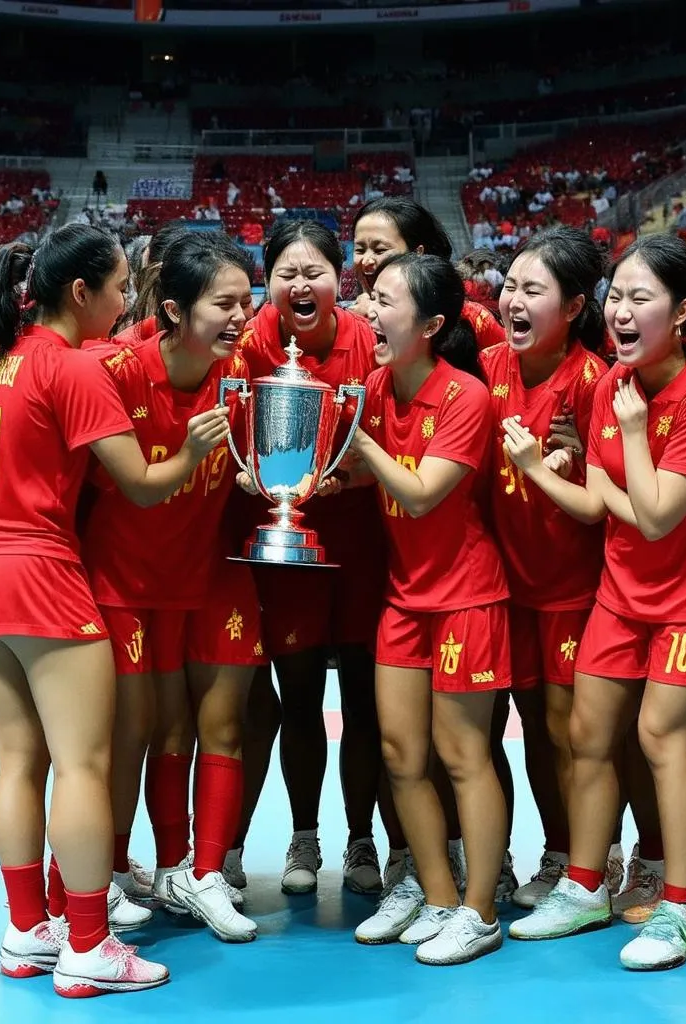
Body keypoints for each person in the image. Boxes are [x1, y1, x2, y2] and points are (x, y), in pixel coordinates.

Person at [0, 223, 219, 997]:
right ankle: (92, 946)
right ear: (81, 293)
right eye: (119, 290)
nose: (126, 303)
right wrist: (196, 450)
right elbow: (138, 481)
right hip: (40, 574)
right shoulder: (73, 370)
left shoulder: (2, 357)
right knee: (85, 764)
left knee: (17, 761)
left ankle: (28, 931)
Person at [504, 234, 686, 972]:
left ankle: (678, 907)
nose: (624, 313)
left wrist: (635, 437)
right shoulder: (609, 384)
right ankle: (584, 886)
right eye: (619, 298)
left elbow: (659, 514)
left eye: (643, 299)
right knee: (588, 735)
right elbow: (603, 501)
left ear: (684, 311)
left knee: (666, 743)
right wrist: (540, 472)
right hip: (619, 595)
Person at [81, 232, 263, 943]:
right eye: (225, 303)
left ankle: (201, 873)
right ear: (175, 310)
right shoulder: (116, 371)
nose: (242, 317)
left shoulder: (242, 371)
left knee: (215, 726)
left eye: (246, 302)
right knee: (140, 732)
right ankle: (120, 871)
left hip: (210, 571)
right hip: (124, 582)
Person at [350, 195, 515, 897]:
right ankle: (437, 897)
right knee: (400, 755)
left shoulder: (465, 397)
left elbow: (420, 492)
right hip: (404, 598)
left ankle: (477, 909)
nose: (369, 310)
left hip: (467, 599)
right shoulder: (378, 385)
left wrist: (359, 444)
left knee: (462, 754)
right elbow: (362, 475)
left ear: (432, 323)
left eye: (385, 300)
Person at [231, 220, 389, 897]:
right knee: (298, 697)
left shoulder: (370, 340)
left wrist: (356, 478)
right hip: (280, 544)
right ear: (269, 282)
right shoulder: (246, 345)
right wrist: (248, 475)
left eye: (315, 270)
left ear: (340, 279)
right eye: (287, 273)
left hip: (361, 540)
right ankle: (304, 835)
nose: (301, 284)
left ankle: (362, 842)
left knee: (363, 698)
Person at [482, 227, 611, 910]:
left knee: (571, 731)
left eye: (533, 290)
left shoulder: (594, 382)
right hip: (509, 586)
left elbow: (608, 498)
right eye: (510, 286)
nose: (514, 301)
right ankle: (558, 851)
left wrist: (579, 458)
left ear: (574, 306)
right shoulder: (489, 364)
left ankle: (598, 858)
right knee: (531, 726)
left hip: (575, 590)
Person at [351, 197, 507, 351]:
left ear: (418, 253)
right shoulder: (347, 321)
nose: (366, 261)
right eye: (359, 250)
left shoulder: (471, 318)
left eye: (380, 250)